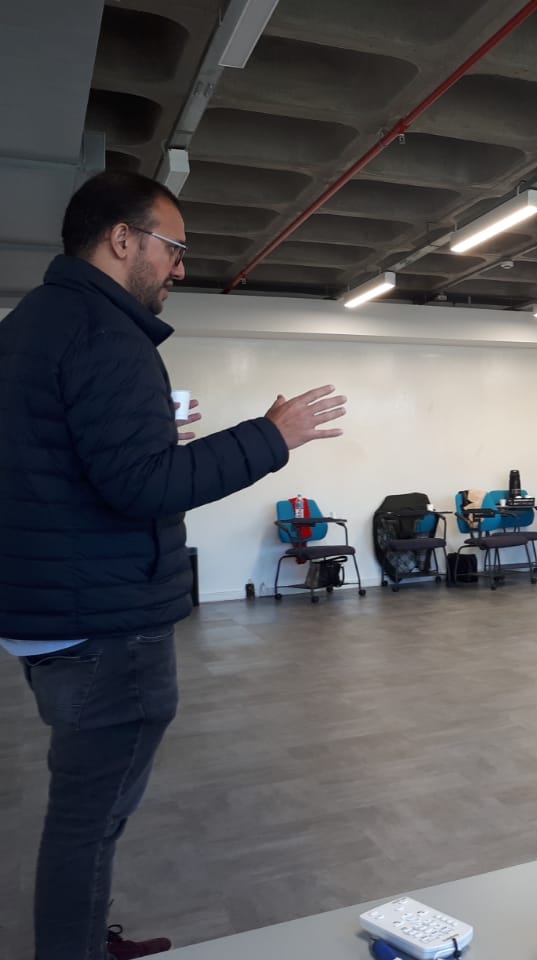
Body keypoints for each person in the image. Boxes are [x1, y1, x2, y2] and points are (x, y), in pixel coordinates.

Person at [0, 170, 346, 960]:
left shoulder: (33, 324)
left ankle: (84, 934)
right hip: (101, 621)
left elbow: (75, 466)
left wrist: (152, 446)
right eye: (174, 248)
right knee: (89, 818)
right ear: (123, 240)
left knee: (86, 809)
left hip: (48, 611)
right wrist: (271, 435)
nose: (181, 269)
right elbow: (141, 489)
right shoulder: (105, 335)